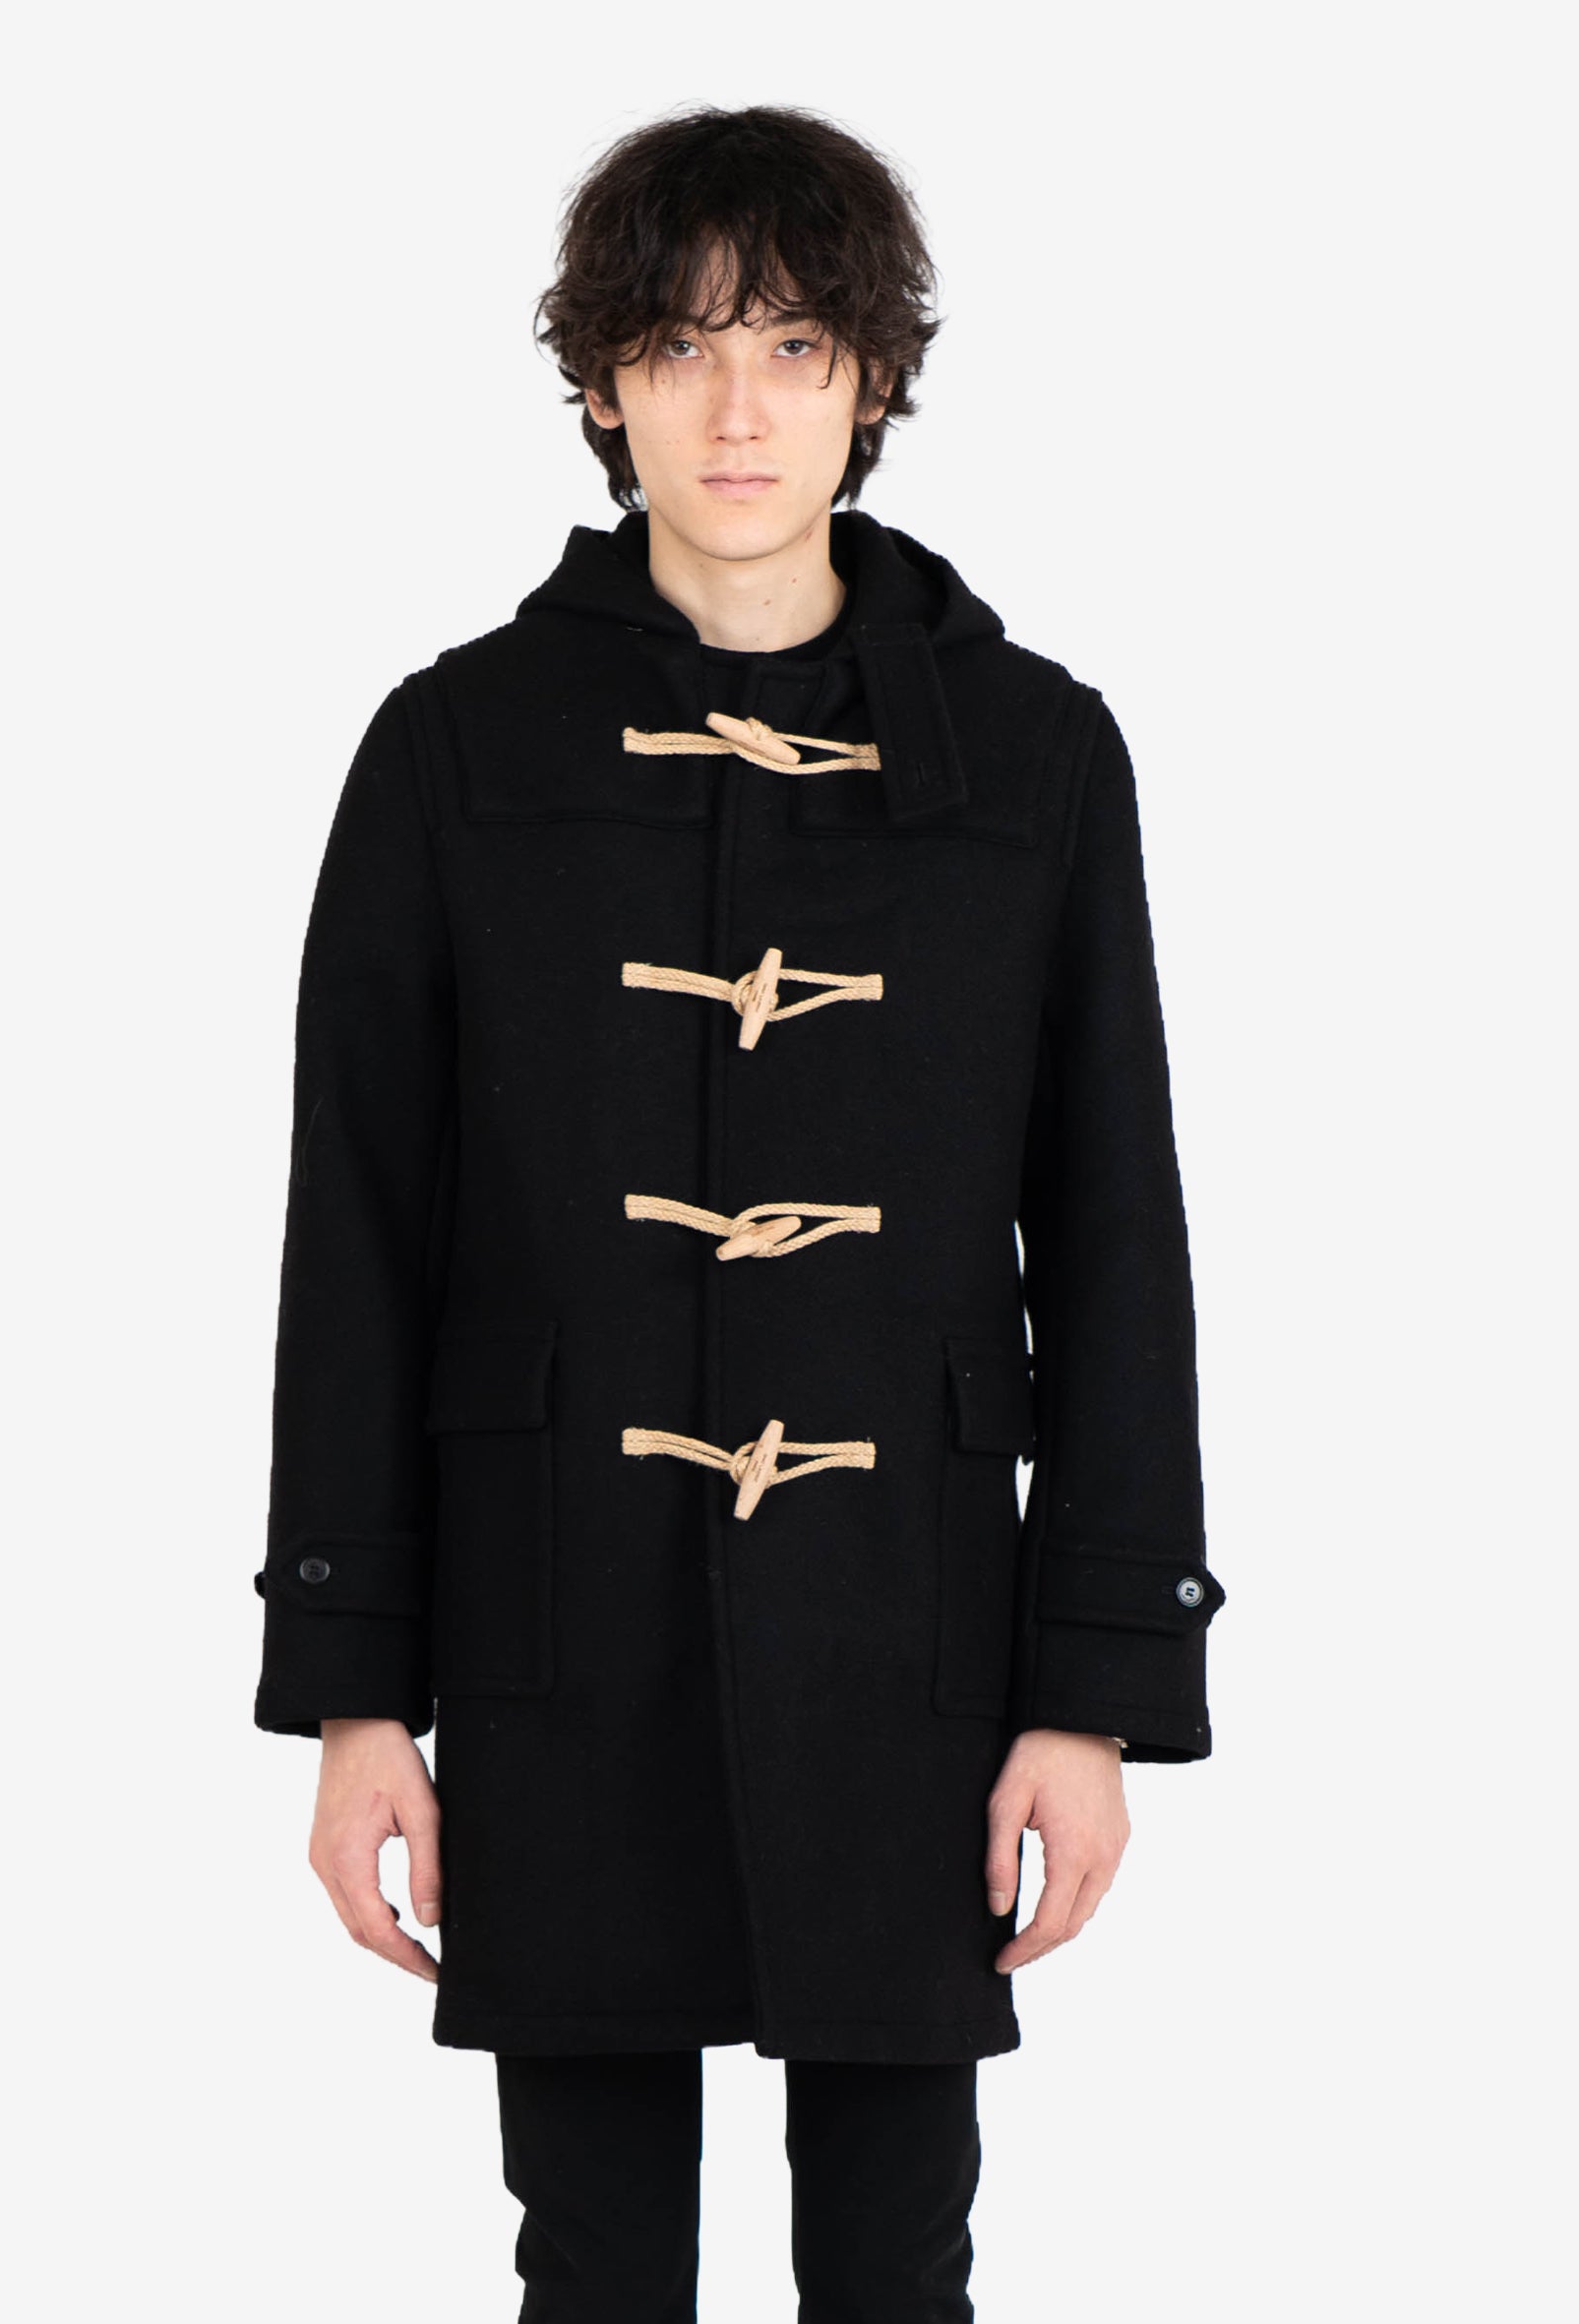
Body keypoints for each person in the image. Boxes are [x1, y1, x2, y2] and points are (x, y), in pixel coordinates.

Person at [252, 101, 1225, 2322]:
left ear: (873, 380)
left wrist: (1096, 1688)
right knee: (590, 2267)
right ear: (600, 386)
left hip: (914, 1623)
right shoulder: (456, 750)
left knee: (899, 2265)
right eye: (678, 347)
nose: (736, 409)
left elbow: (1117, 1237)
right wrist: (353, 1688)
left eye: (792, 345)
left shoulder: (1032, 758)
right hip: (554, 1609)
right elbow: (358, 1242)